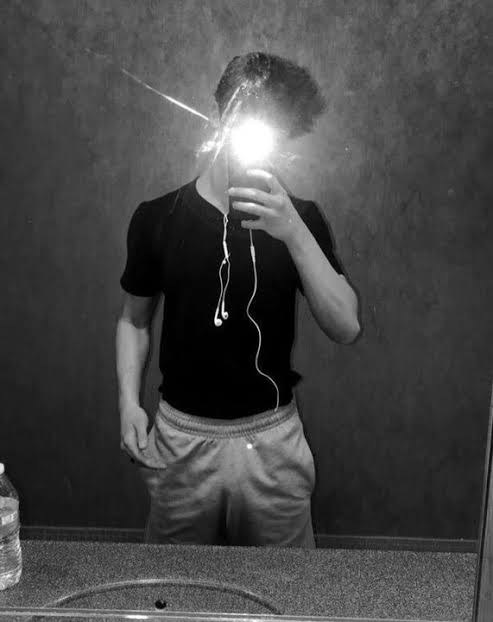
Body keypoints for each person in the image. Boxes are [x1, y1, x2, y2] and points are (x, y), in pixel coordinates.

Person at [116, 52, 360, 548]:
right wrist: (127, 402)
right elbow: (133, 321)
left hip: (272, 443)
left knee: (284, 588)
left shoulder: (301, 219)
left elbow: (346, 326)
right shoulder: (158, 217)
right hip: (181, 442)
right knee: (176, 586)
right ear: (219, 117)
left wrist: (292, 231)